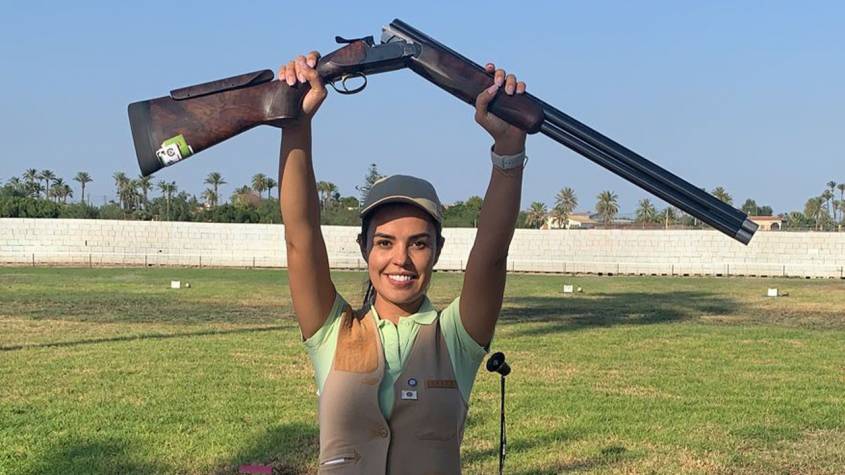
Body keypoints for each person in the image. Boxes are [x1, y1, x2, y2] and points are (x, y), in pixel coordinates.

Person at [278, 50, 528, 474]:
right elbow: (300, 237)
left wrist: (509, 150)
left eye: (418, 244)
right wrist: (295, 124)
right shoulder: (333, 333)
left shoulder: (456, 340)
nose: (401, 259)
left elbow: (491, 253)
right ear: (364, 249)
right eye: (384, 242)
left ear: (438, 250)